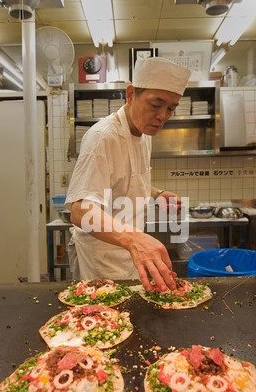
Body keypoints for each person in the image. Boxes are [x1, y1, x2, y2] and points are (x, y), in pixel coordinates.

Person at [65, 57, 191, 292]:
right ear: (131, 94)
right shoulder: (103, 137)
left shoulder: (144, 136)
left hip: (130, 254)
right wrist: (135, 240)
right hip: (101, 257)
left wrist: (156, 194)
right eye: (156, 105)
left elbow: (125, 181)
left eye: (171, 108)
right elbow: (79, 211)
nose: (163, 116)